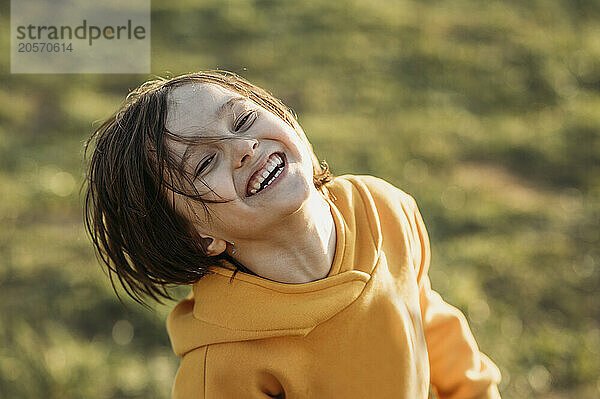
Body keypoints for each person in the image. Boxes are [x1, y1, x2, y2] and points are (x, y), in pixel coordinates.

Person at [84, 70, 502, 398]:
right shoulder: (223, 371)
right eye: (204, 163)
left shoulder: (382, 208)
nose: (242, 146)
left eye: (244, 119)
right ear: (197, 237)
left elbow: (425, 315)